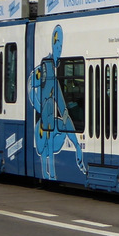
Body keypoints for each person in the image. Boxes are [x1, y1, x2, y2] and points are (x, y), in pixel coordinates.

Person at [29, 25, 86, 179]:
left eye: (61, 45)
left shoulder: (54, 78)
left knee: (62, 121)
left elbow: (64, 111)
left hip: (50, 125)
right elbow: (30, 84)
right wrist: (38, 106)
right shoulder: (44, 68)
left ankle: (74, 153)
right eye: (58, 45)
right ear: (53, 44)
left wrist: (77, 146)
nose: (59, 49)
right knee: (48, 125)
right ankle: (50, 174)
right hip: (42, 129)